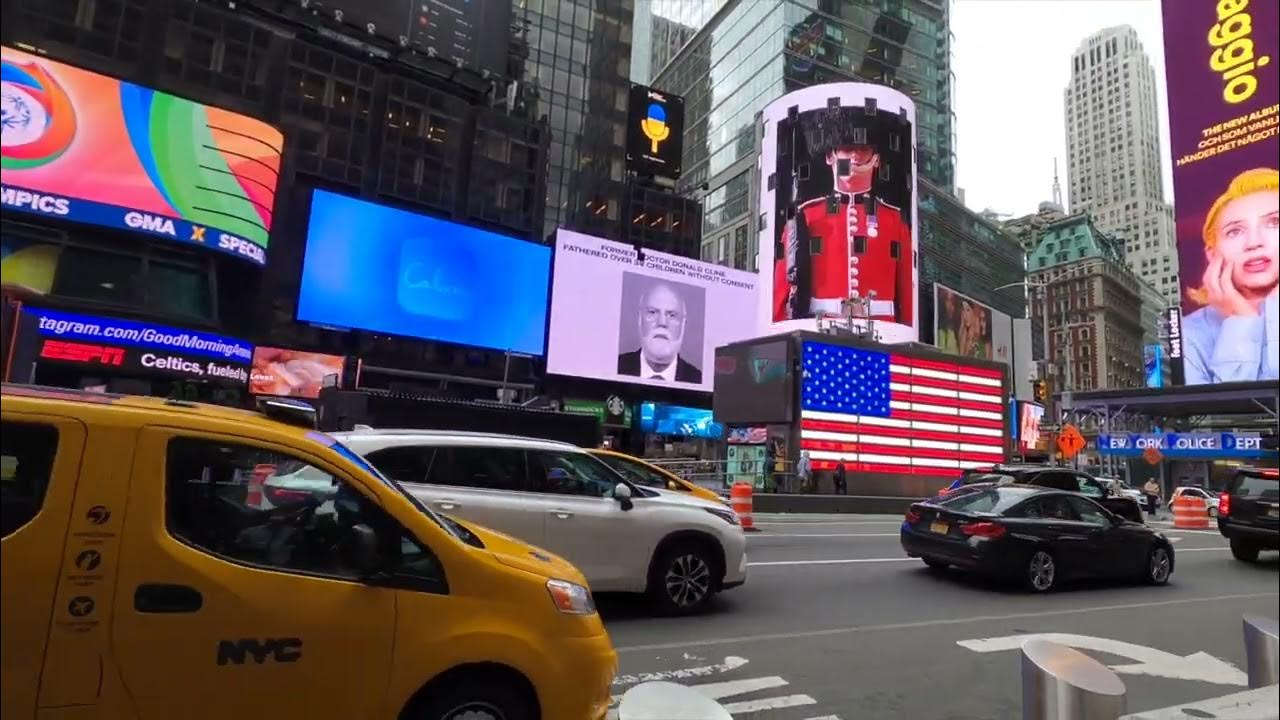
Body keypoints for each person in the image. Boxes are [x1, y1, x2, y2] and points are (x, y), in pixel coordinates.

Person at [773, 107, 914, 326]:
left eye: (864, 149)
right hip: (820, 328)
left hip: (882, 331)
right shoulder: (808, 216)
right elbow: (781, 293)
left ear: (876, 159)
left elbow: (907, 295)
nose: (856, 156)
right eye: (847, 148)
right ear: (830, 156)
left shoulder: (894, 221)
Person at [1181, 167, 1279, 385]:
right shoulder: (1186, 334)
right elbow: (1212, 417)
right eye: (1235, 231)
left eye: (1274, 223)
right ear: (1213, 254)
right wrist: (1241, 322)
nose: (1254, 242)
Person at [617, 281, 703, 383]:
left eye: (672, 315)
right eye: (652, 312)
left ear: (683, 324)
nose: (662, 322)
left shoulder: (697, 379)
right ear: (640, 319)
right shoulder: (617, 366)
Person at [936, 289, 960, 354]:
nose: (950, 306)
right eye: (947, 300)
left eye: (953, 302)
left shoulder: (956, 331)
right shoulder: (938, 332)